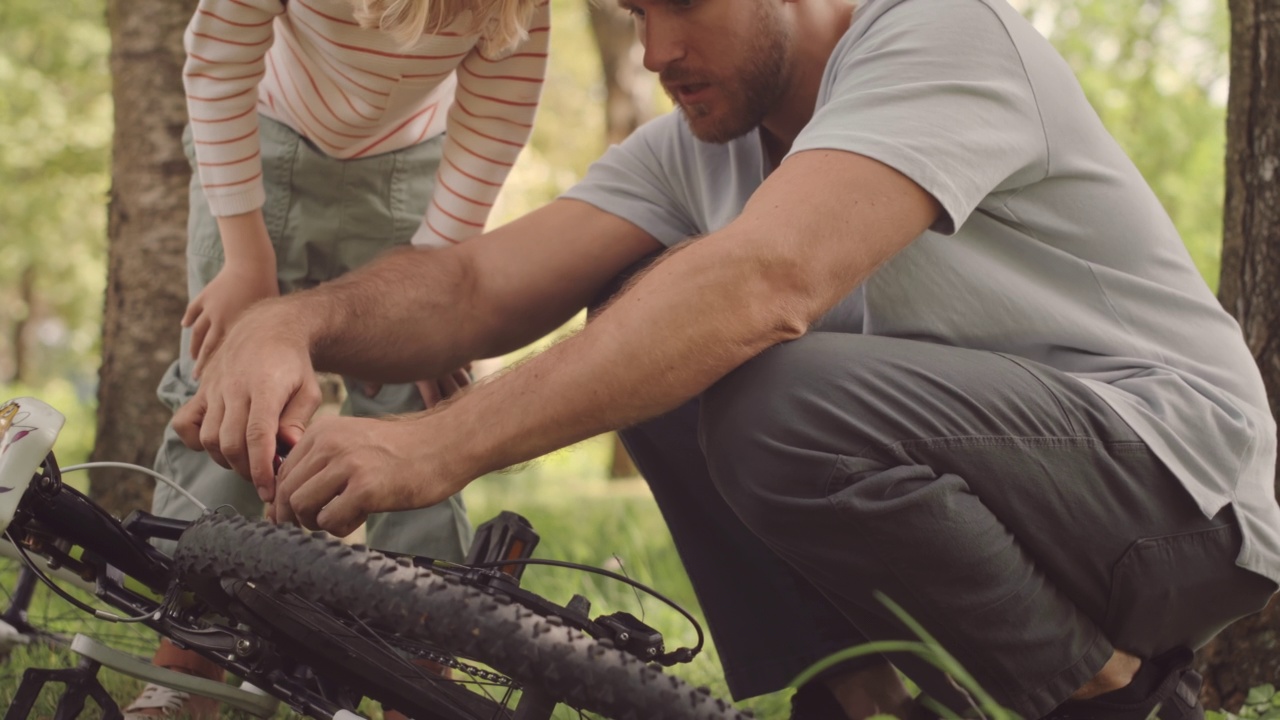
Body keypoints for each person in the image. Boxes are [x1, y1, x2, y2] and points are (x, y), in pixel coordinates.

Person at [172, 0, 1280, 719]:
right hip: (1009, 500)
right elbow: (471, 285)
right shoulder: (692, 149)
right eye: (632, 13)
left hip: (1175, 500)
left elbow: (764, 283)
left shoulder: (938, 35)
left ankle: (1111, 701)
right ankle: (851, 702)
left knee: (748, 368)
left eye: (681, 6)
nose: (654, 52)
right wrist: (288, 323)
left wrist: (437, 445)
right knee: (643, 323)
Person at [124, 0, 550, 717]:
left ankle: (415, 657)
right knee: (228, 387)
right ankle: (192, 650)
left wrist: (436, 284)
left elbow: (495, 119)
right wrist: (245, 256)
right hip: (257, 152)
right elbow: (221, 58)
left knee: (418, 404)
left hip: (413, 176)